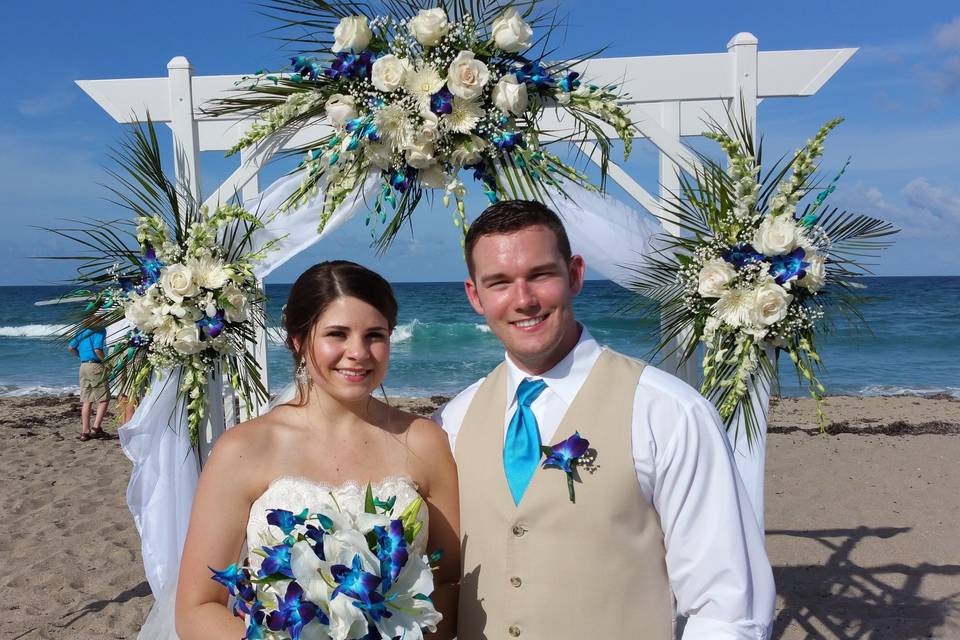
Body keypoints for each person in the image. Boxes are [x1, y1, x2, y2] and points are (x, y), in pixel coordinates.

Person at [435, 200, 776, 639]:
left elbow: (728, 605)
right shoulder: (453, 421)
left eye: (540, 275)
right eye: (499, 282)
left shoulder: (668, 412)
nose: (523, 300)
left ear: (575, 274)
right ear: (475, 296)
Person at [166, 261, 459, 639]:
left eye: (374, 335)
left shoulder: (424, 442)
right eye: (337, 334)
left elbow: (449, 581)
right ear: (298, 341)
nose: (358, 352)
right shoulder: (244, 448)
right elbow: (197, 606)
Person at [68, 324, 109, 441]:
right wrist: (107, 362)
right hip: (95, 365)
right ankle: (95, 429)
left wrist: (81, 356)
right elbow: (97, 349)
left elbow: (71, 348)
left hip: (83, 366)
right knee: (104, 398)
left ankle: (85, 431)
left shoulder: (81, 328)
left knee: (87, 400)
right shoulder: (99, 328)